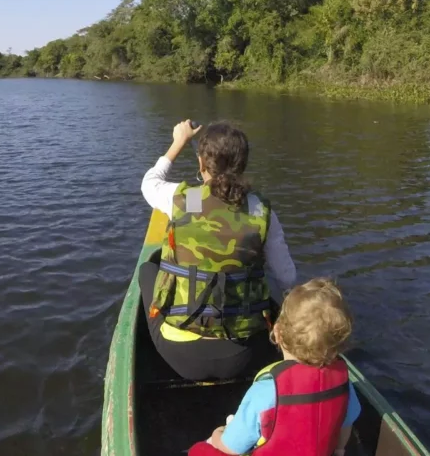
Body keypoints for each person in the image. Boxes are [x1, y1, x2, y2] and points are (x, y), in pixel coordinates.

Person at [139, 119, 297, 381]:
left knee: (148, 269)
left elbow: (149, 183)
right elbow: (288, 279)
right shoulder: (258, 209)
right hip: (245, 354)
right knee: (266, 286)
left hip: (180, 355)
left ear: (202, 164)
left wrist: (179, 141)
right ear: (242, 164)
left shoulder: (188, 201)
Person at [188, 278, 362, 456]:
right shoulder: (343, 383)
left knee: (199, 451)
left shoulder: (267, 391)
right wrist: (339, 450)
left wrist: (218, 436)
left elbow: (231, 447)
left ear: (277, 333)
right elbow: (345, 424)